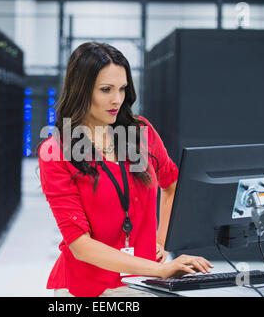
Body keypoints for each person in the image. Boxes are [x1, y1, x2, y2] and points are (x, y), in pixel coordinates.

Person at [37, 42, 213, 297]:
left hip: (144, 280)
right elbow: (81, 246)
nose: (117, 99)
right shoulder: (59, 152)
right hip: (87, 288)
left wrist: (160, 242)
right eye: (106, 90)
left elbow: (172, 186)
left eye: (122, 89)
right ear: (81, 90)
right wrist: (161, 271)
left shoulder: (138, 135)